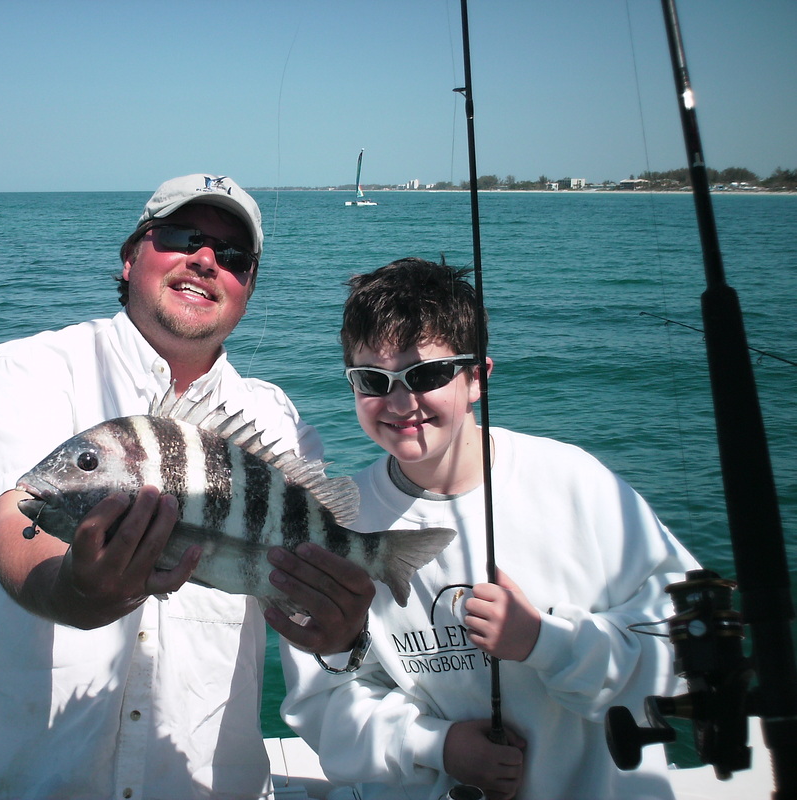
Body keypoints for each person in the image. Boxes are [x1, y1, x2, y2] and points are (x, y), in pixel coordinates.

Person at [0, 174, 374, 800]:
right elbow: (14, 530)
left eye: (234, 256)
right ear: (131, 256)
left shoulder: (277, 423)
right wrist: (80, 591)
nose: (207, 260)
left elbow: (304, 625)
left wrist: (343, 638)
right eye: (183, 237)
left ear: (249, 288)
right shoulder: (27, 371)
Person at [280, 257, 700, 800]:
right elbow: (321, 701)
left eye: (427, 374)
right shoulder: (336, 521)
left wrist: (546, 643)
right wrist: (438, 745)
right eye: (372, 380)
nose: (401, 401)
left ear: (477, 376)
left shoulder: (574, 482)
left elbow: (688, 642)